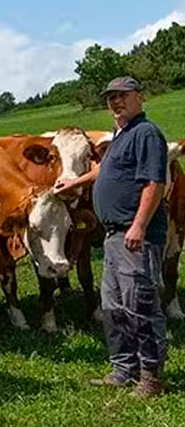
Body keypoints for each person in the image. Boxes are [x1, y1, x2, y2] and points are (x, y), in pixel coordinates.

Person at [54, 76, 168, 397]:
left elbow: (153, 183)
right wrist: (74, 184)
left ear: (140, 97)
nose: (116, 102)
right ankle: (123, 369)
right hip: (114, 236)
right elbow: (105, 170)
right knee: (113, 305)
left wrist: (139, 225)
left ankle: (151, 377)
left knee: (139, 305)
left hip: (135, 236)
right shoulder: (122, 136)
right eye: (111, 98)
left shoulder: (146, 133)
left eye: (123, 96)